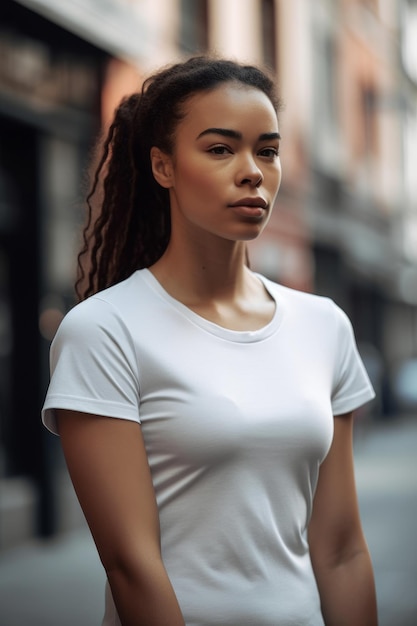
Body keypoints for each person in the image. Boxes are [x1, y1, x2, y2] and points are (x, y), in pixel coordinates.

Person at [41, 55, 378, 626]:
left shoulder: (324, 325)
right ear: (163, 166)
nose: (251, 171)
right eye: (221, 149)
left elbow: (341, 549)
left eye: (266, 151)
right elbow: (131, 565)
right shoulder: (104, 331)